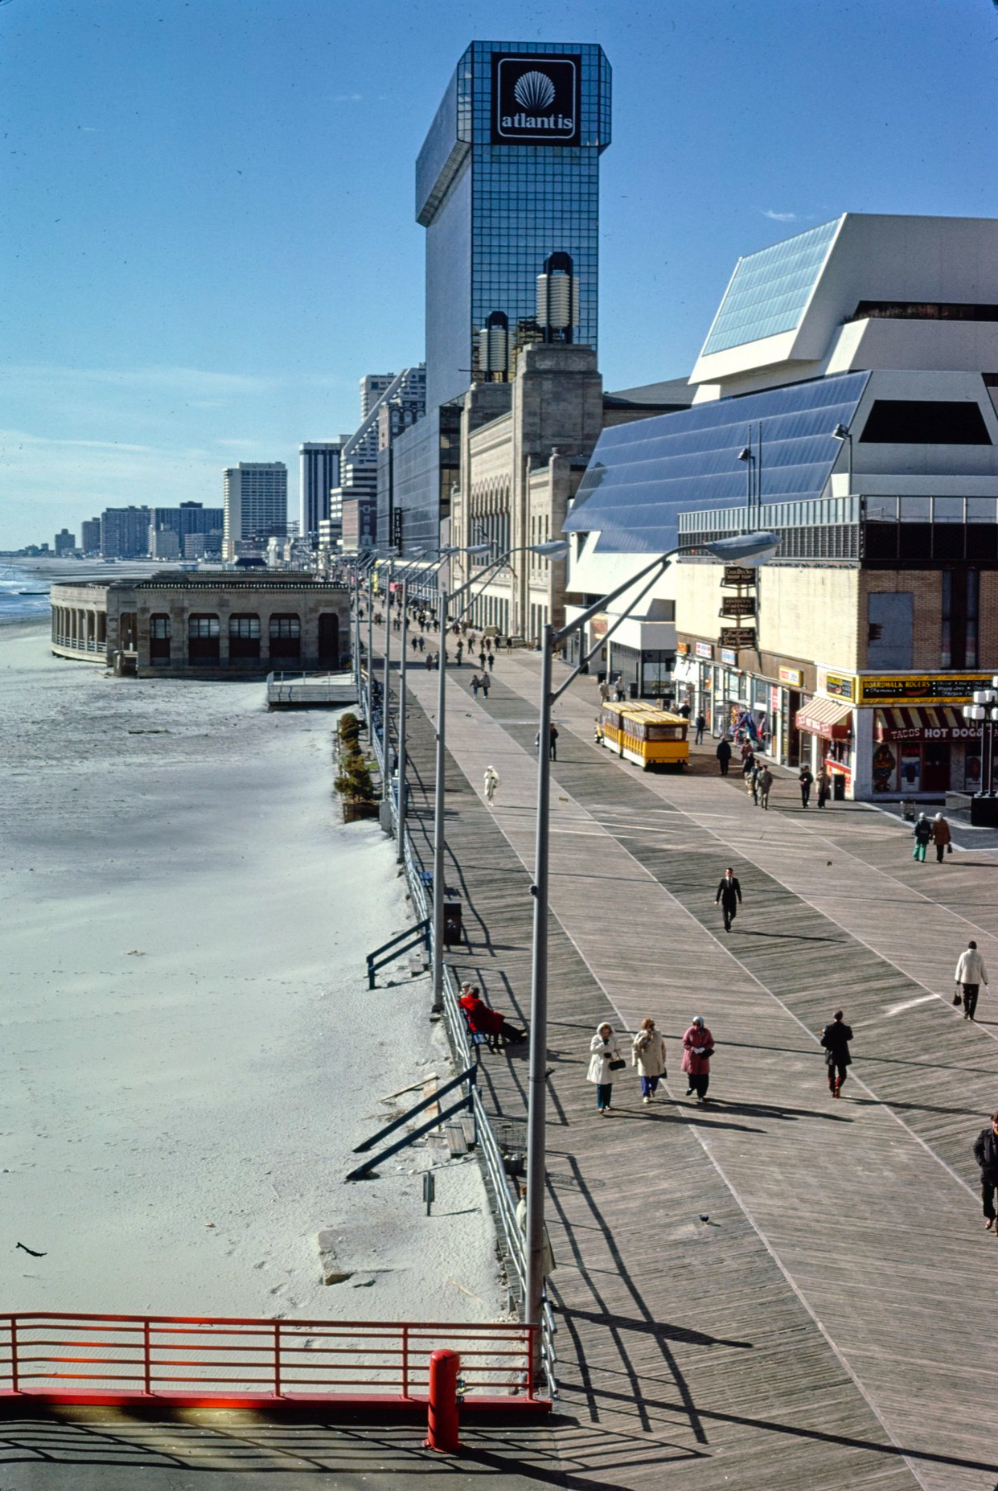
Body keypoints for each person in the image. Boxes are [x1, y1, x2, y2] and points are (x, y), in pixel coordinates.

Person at [458, 984, 526, 1050]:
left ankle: (516, 1034)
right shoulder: (477, 1002)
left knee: (500, 1023)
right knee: (499, 1024)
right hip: (481, 1024)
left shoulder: (464, 1000)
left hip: (476, 1022)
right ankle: (517, 1037)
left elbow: (460, 1004)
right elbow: (486, 1012)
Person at [515, 1185, 556, 1276]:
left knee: (539, 1277)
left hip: (534, 1247)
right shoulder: (528, 1211)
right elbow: (531, 1233)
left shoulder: (522, 1206)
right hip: (536, 1249)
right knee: (539, 1277)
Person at [588, 1022, 623, 1114]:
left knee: (608, 1085)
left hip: (610, 1063)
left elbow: (619, 1050)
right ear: (600, 1032)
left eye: (607, 1032)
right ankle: (600, 1105)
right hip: (599, 1064)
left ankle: (607, 1104)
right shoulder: (596, 1038)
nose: (606, 1034)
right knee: (600, 1086)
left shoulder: (614, 1039)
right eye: (604, 1032)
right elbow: (593, 1050)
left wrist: (612, 1054)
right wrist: (602, 1044)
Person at [631, 1017, 667, 1104]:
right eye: (650, 1025)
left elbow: (663, 1046)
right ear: (645, 1026)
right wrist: (635, 1060)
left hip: (656, 1060)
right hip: (645, 1060)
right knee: (645, 1079)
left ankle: (653, 1089)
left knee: (655, 1078)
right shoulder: (640, 1035)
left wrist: (663, 1058)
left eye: (653, 1024)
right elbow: (635, 1048)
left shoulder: (658, 1034)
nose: (652, 1027)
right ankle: (646, 1095)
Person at [973, 1112, 998, 1234]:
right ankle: (991, 1215)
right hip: (988, 1173)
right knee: (987, 1199)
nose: (996, 1125)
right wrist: (982, 1162)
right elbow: (976, 1148)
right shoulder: (985, 1134)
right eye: (995, 1122)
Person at [681, 1016, 715, 1102]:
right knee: (692, 1075)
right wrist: (693, 1049)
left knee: (703, 1077)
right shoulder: (690, 1031)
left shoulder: (706, 1032)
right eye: (694, 1024)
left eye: (698, 1024)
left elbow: (711, 1042)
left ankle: (701, 1094)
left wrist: (704, 1048)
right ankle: (691, 1087)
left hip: (703, 1058)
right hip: (692, 1057)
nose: (696, 1026)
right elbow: (684, 1043)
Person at [820, 1010, 852, 1097]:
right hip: (842, 1053)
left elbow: (822, 1042)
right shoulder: (846, 1028)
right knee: (842, 1073)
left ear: (833, 1017)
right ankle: (838, 1085)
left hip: (831, 1053)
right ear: (842, 1017)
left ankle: (832, 1087)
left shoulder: (828, 1028)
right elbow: (850, 1037)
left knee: (831, 1071)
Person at [955, 939, 989, 1020]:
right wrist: (986, 980)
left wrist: (958, 979)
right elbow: (983, 969)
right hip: (975, 981)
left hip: (965, 980)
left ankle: (966, 1010)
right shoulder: (979, 957)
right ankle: (971, 1015)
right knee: (974, 998)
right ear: (976, 948)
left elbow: (959, 968)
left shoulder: (963, 955)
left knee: (966, 995)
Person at [715, 867, 741, 932]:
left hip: (732, 900)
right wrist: (717, 900)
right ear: (725, 873)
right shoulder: (723, 881)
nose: (729, 874)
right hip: (725, 900)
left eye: (730, 873)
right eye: (727, 872)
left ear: (732, 873)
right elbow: (719, 890)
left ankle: (729, 922)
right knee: (725, 915)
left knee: (734, 914)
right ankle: (726, 927)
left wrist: (740, 899)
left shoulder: (735, 880)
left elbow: (738, 890)